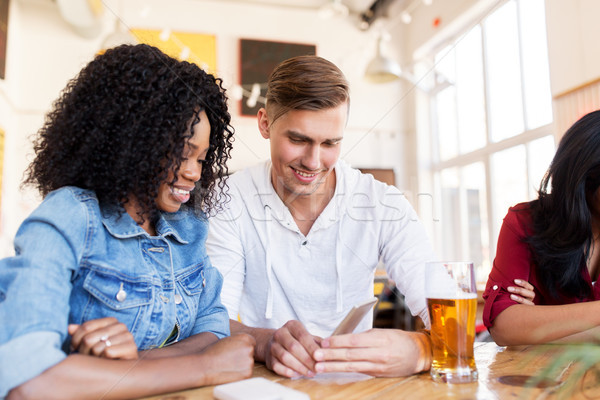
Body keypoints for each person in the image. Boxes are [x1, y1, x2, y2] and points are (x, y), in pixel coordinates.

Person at [0, 44, 255, 399]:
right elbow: (27, 381)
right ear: (131, 144)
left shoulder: (187, 227)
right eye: (183, 154)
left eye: (202, 156)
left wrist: (133, 363)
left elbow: (213, 328)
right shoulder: (70, 217)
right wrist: (203, 367)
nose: (194, 172)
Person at [206, 54, 438, 379]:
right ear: (264, 124)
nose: (314, 162)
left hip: (357, 387)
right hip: (267, 385)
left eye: (330, 143)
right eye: (298, 140)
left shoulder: (383, 203)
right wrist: (265, 342)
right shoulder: (228, 198)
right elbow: (212, 323)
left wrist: (420, 350)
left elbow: (447, 312)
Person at [483, 109, 600, 346]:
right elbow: (504, 326)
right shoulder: (525, 222)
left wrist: (540, 326)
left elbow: (521, 331)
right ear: (586, 180)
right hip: (537, 379)